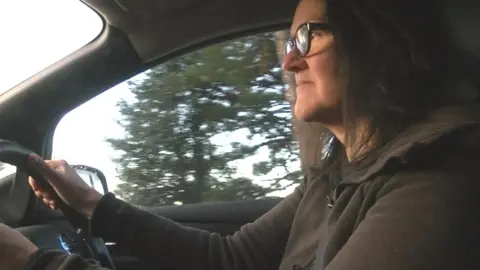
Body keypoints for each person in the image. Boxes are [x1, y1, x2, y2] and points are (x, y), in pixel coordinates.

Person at [2, 0, 480, 269]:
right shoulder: (337, 175)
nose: (290, 62)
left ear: (374, 39)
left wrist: (33, 265)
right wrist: (91, 205)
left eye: (306, 37)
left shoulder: (439, 181)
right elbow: (231, 258)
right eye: (289, 43)